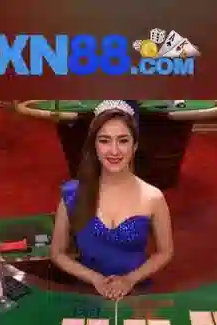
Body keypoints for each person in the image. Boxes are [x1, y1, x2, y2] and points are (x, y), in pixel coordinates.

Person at [50, 100, 174, 300]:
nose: (114, 151)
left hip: (136, 293)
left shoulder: (153, 197)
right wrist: (95, 279)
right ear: (94, 145)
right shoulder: (72, 193)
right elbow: (58, 253)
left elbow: (165, 252)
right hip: (86, 292)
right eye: (105, 140)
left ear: (135, 146)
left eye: (123, 141)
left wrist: (130, 279)